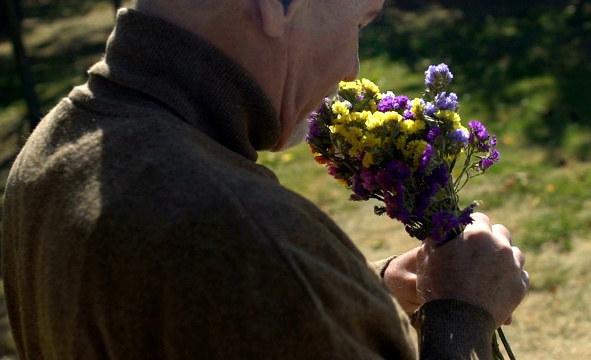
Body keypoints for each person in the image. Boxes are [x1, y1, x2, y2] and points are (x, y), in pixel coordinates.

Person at [1, 0, 529, 358]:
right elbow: (241, 268)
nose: (352, 68)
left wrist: (350, 286)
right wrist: (464, 312)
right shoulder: (244, 236)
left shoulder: (50, 150)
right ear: (278, 6)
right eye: (359, 23)